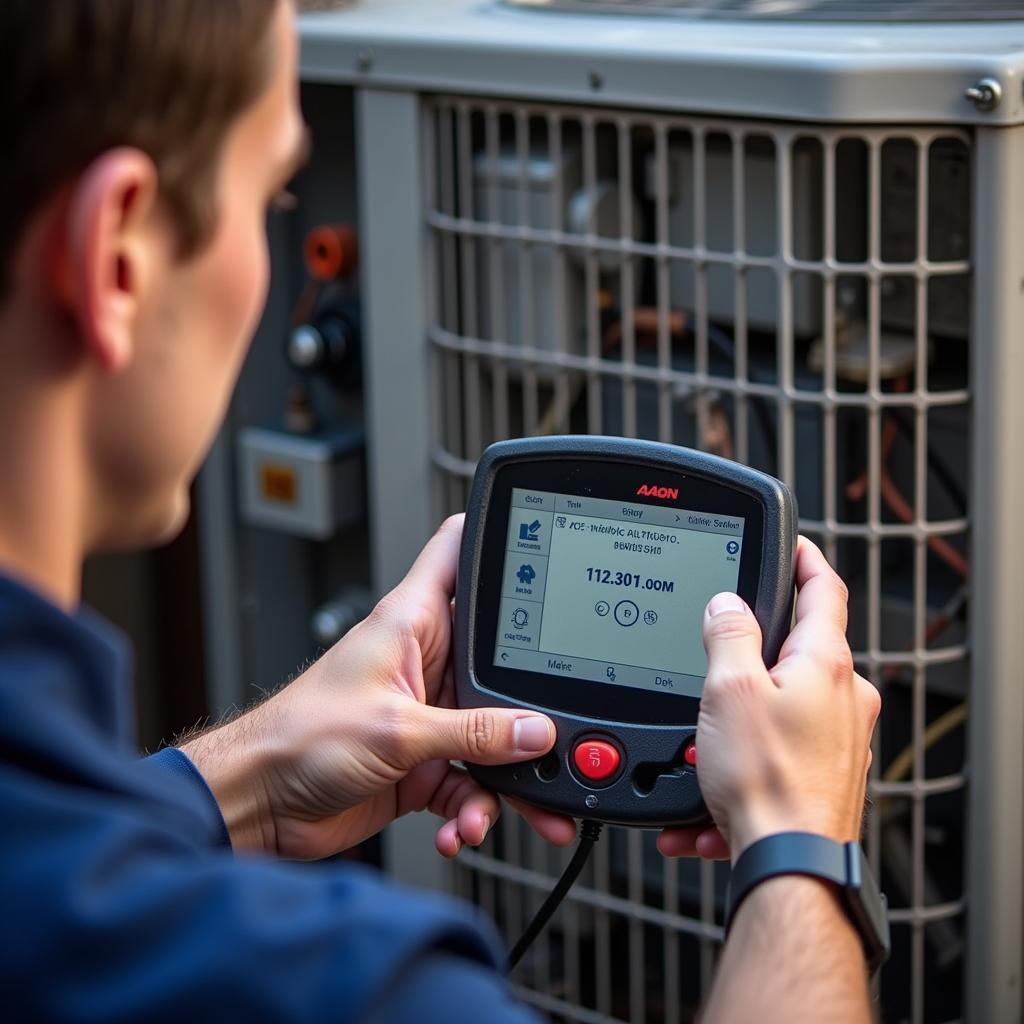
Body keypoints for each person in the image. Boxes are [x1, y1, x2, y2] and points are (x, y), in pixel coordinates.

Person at [0, 1, 881, 1021]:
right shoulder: (331, 990)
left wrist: (251, 783)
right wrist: (801, 840)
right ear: (118, 258)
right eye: (272, 198)